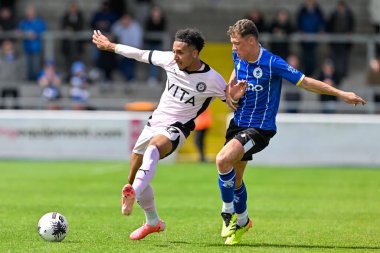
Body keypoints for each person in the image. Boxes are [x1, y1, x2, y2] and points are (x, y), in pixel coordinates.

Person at [216, 19, 366, 245]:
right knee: (235, 180)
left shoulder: (272, 62)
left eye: (236, 43)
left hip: (259, 129)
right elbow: (233, 77)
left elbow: (305, 82)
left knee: (222, 160)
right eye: (232, 44)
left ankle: (227, 215)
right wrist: (231, 94)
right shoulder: (238, 56)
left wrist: (342, 94)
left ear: (251, 41)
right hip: (238, 123)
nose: (233, 48)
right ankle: (244, 221)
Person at [92, 28, 245, 240]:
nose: (175, 56)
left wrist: (235, 98)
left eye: (180, 52)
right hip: (153, 123)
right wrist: (109, 46)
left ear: (194, 53)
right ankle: (152, 222)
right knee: (133, 174)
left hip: (177, 128)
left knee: (153, 148)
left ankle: (133, 190)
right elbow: (139, 53)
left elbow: (230, 101)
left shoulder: (212, 79)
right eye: (174, 51)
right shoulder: (169, 61)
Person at [17, 5, 46, 81]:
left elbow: (42, 31)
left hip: (36, 47)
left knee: (35, 65)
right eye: (28, 13)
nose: (30, 14)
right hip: (26, 47)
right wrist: (21, 33)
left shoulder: (39, 22)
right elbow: (19, 31)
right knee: (27, 66)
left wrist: (35, 35)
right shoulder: (23, 22)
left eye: (31, 13)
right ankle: (28, 80)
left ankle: (35, 80)